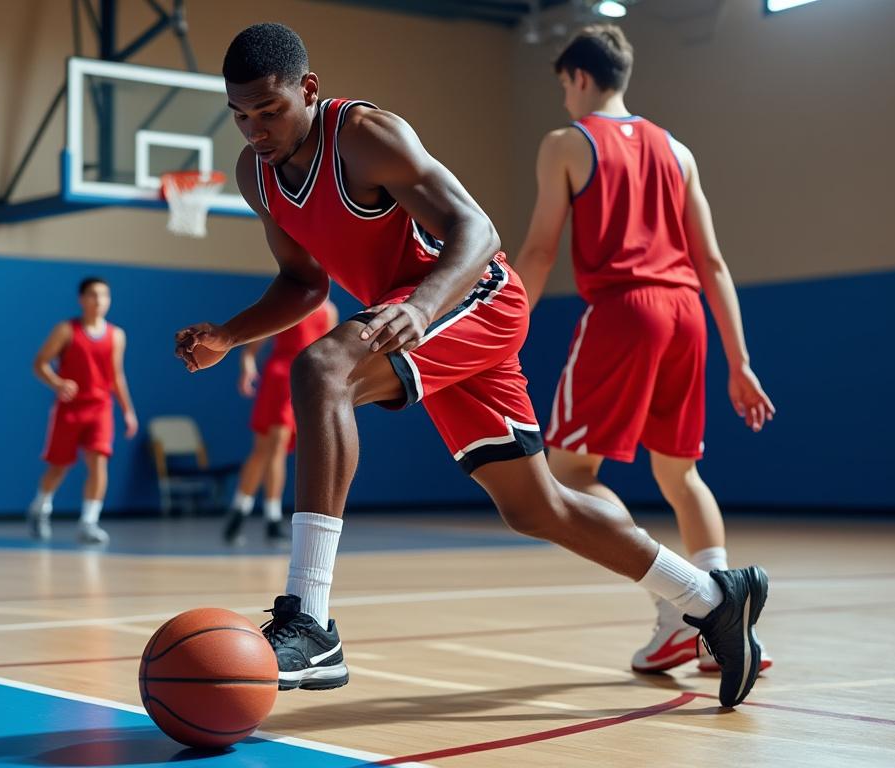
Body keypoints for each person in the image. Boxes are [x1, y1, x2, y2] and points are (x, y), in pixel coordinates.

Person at [174, 23, 767, 707]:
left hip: (469, 295)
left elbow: (479, 232)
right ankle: (713, 597)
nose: (255, 128)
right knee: (536, 507)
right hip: (417, 316)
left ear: (308, 89)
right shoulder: (259, 175)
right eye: (241, 115)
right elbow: (303, 284)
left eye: (269, 110)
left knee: (321, 371)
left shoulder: (366, 135)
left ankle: (309, 620)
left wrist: (424, 307)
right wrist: (229, 335)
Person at [513, 24, 777, 675]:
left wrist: (505, 326)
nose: (565, 102)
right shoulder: (678, 150)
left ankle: (684, 605)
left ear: (577, 77)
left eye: (564, 88)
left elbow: (543, 248)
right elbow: (711, 261)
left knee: (568, 473)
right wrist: (739, 360)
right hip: (687, 313)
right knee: (680, 475)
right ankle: (721, 624)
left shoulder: (566, 144)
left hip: (625, 311)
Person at [26, 277, 138, 545]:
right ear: (82, 299)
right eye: (93, 295)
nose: (99, 301)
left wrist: (128, 410)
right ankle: (40, 507)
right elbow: (40, 363)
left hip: (100, 407)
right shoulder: (66, 330)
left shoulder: (117, 335)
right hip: (70, 409)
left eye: (104, 295)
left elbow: (116, 375)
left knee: (99, 461)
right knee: (59, 466)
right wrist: (57, 382)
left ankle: (89, 521)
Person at [223, 299, 338, 547]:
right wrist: (247, 361)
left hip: (304, 379)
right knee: (267, 448)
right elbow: (256, 340)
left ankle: (245, 512)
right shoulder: (292, 302)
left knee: (274, 449)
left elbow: (332, 352)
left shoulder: (329, 311)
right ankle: (259, 515)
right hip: (280, 378)